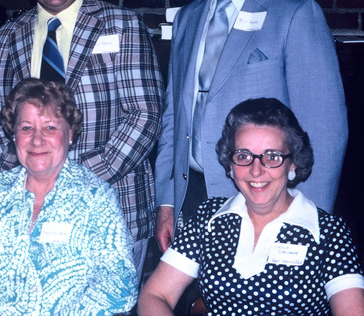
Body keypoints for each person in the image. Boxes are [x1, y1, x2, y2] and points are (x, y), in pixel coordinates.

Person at [154, 0, 347, 254]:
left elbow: (325, 132)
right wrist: (167, 204)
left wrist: (305, 225)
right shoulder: (186, 19)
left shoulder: (296, 14)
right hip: (191, 199)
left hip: (266, 203)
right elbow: (172, 120)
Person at [0, 0, 163, 279]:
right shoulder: (4, 39)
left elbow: (145, 116)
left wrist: (67, 180)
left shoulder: (122, 26)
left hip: (114, 209)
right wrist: (26, 180)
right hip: (29, 214)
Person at [139, 98, 364, 316]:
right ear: (230, 164)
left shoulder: (327, 232)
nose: (256, 171)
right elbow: (154, 295)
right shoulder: (209, 218)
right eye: (244, 155)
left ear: (293, 162)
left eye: (272, 157)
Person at [0, 78, 137, 315]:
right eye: (26, 128)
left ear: (69, 134)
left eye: (50, 127)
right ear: (14, 135)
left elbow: (120, 283)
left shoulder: (96, 198)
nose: (37, 139)